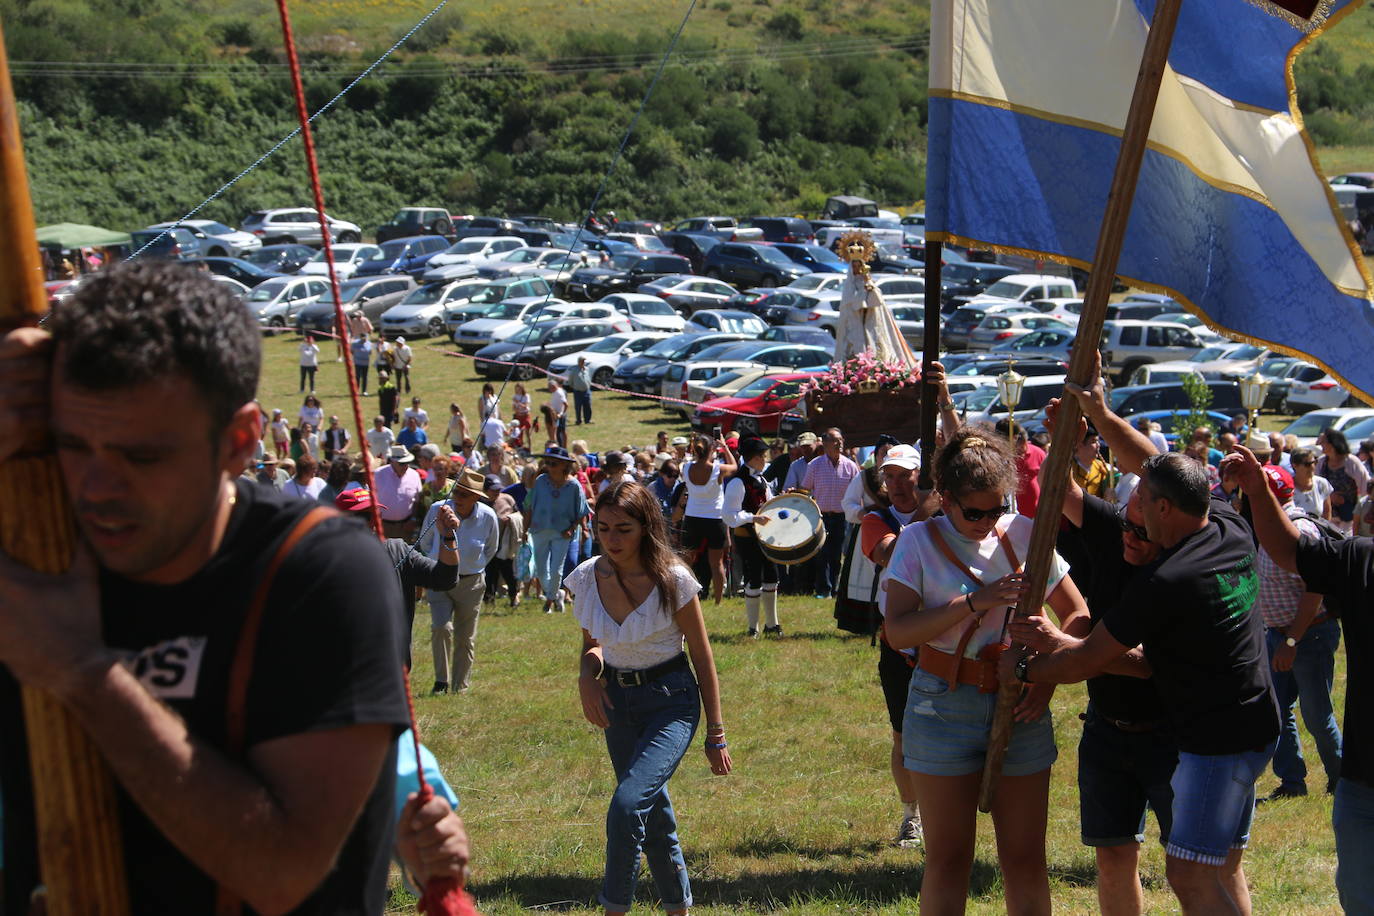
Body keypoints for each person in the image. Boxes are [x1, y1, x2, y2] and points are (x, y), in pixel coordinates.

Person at [0, 260, 410, 913]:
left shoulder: (322, 573)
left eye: (143, 456)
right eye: (72, 444)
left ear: (240, 441)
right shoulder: (37, 538)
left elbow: (282, 869)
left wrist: (82, 671)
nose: (97, 489)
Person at [1007, 352, 1279, 915]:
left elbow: (1101, 658)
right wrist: (1094, 418)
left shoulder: (1168, 580)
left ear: (1164, 513)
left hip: (1200, 737)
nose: (1128, 529)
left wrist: (1034, 663)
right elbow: (1144, 462)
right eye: (1123, 520)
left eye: (1139, 520)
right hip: (1199, 725)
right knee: (1163, 861)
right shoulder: (1221, 520)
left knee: (1199, 871)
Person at [882, 426, 1092, 915]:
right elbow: (899, 632)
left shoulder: (1025, 536)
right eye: (974, 511)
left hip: (1019, 704)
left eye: (998, 508)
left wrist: (1047, 674)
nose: (987, 520)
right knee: (949, 860)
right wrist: (973, 602)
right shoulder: (917, 541)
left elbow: (1078, 614)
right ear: (947, 498)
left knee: (1024, 858)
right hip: (941, 705)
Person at [568, 481, 732, 916]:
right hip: (617, 706)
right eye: (603, 529)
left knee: (626, 807)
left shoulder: (672, 580)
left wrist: (716, 733)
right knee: (653, 818)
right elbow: (593, 646)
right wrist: (587, 675)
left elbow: (701, 655)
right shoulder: (587, 578)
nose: (611, 540)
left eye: (623, 528)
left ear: (646, 527)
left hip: (672, 703)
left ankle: (614, 908)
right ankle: (679, 908)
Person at [1040, 401, 1176, 916]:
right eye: (1127, 525)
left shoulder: (1188, 564)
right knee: (1114, 857)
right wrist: (1065, 439)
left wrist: (1063, 651)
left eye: (1144, 534)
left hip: (1172, 734)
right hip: (1105, 729)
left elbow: (1143, 664)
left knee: (1196, 862)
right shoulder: (1115, 529)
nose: (1131, 539)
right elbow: (1062, 492)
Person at [1225, 443, 1374, 912]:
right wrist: (1257, 489)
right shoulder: (1362, 560)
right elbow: (1289, 550)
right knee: (1358, 896)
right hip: (1364, 782)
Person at [858, 443, 938, 850]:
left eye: (904, 475)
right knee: (903, 736)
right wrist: (927, 513)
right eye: (889, 476)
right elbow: (891, 552)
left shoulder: (948, 516)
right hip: (899, 647)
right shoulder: (876, 520)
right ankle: (913, 815)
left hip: (946, 643)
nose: (896, 484)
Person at [1250, 463, 1344, 802]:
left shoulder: (1300, 530)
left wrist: (1291, 640)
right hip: (1278, 634)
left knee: (1317, 715)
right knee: (1277, 712)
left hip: (1309, 636)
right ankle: (1292, 782)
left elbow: (1313, 592)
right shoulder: (1271, 526)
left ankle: (1343, 781)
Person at [333, 488, 459, 664]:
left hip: (392, 666)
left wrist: (447, 537)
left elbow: (445, 578)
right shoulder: (325, 561)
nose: (372, 523)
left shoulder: (398, 551)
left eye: (375, 515)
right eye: (361, 517)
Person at [420, 469, 499, 695]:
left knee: (465, 638)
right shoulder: (438, 510)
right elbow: (425, 543)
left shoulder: (487, 516)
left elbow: (491, 549)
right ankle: (441, 682)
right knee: (440, 628)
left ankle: (460, 686)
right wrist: (437, 562)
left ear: (476, 497)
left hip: (471, 583)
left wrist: (473, 565)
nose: (457, 499)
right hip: (438, 577)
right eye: (456, 492)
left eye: (464, 495)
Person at [723, 436, 780, 637]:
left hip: (764, 536)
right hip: (747, 537)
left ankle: (772, 625)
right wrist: (753, 518)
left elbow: (768, 503)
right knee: (753, 577)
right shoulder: (737, 483)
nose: (765, 460)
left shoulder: (762, 479)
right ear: (753, 459)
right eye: (762, 456)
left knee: (772, 576)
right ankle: (752, 627)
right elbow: (729, 515)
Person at [524, 445, 590, 613]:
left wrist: (575, 527)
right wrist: (524, 529)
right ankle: (556, 593)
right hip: (539, 529)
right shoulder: (540, 482)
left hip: (563, 531)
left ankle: (549, 601)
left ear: (564, 465)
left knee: (556, 568)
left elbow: (581, 510)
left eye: (554, 463)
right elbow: (529, 505)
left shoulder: (574, 486)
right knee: (541, 569)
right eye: (548, 462)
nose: (550, 466)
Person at [680, 433, 738, 605]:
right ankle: (718, 601)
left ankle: (684, 597)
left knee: (687, 562)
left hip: (692, 518)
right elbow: (734, 466)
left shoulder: (686, 468)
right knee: (716, 563)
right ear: (711, 450)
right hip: (714, 518)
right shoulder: (717, 468)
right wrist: (725, 448)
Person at [802, 427, 858, 600]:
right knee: (822, 554)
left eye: (841, 439)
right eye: (835, 440)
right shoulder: (815, 465)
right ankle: (823, 590)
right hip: (821, 516)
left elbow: (857, 492)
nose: (840, 443)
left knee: (837, 555)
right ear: (825, 444)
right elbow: (806, 489)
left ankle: (835, 588)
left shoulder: (850, 466)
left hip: (842, 517)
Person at [1318, 428, 1369, 533]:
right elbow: (1315, 486)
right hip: (1326, 519)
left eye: (1323, 441)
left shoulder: (1351, 462)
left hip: (1348, 519)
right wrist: (1330, 497)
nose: (1320, 443)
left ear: (1333, 444)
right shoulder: (1321, 462)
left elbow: (1365, 486)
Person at [485, 475, 524, 607]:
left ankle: (514, 597)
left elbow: (518, 514)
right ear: (485, 490)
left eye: (498, 489)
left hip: (505, 542)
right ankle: (489, 599)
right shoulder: (480, 502)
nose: (497, 492)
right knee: (490, 573)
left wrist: (511, 519)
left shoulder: (507, 498)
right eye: (493, 490)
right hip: (488, 544)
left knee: (508, 572)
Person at [995, 418, 1045, 517]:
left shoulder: (1038, 453)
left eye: (1017, 437)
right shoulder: (998, 459)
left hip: (1037, 513)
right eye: (1014, 438)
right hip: (1010, 514)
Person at [374, 444, 423, 540]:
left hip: (405, 526)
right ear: (392, 461)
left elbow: (417, 501)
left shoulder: (414, 475)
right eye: (402, 463)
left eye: (407, 462)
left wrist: (413, 519)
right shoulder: (378, 474)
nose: (405, 466)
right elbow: (371, 498)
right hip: (383, 526)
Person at [1291, 446, 1333, 521]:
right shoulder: (1288, 487)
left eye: (1314, 462)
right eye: (1307, 464)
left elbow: (1327, 512)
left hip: (1318, 530)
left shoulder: (1322, 484)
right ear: (1295, 465)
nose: (1312, 467)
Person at [569, 355, 594, 425]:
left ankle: (587, 420)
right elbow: (570, 381)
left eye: (584, 361)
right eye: (582, 361)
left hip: (587, 391)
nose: (583, 362)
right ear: (579, 362)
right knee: (578, 407)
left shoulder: (587, 369)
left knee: (588, 406)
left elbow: (589, 378)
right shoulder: (574, 370)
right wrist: (575, 387)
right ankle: (578, 420)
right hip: (578, 392)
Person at [547, 378, 568, 449]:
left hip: (559, 415)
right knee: (558, 432)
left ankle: (562, 448)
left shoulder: (559, 393)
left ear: (553, 387)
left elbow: (565, 404)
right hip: (555, 414)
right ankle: (560, 447)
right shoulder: (555, 392)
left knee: (560, 432)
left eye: (550, 388)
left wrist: (561, 414)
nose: (549, 390)